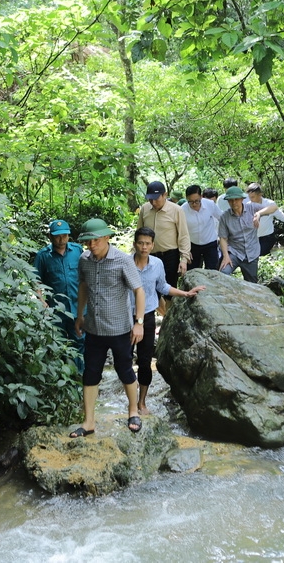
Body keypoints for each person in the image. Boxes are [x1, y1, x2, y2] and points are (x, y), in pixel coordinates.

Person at [70, 218, 146, 437]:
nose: (91, 246)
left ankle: (133, 411)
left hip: (120, 329)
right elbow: (83, 286)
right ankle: (89, 421)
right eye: (88, 242)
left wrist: (139, 323)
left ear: (106, 238)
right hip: (94, 328)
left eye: (95, 241)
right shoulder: (85, 260)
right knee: (90, 373)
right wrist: (79, 315)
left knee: (125, 370)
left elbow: (139, 291)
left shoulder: (122, 260)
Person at [130, 227, 205, 414]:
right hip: (125, 317)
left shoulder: (156, 264)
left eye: (148, 243)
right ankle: (131, 403)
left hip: (147, 316)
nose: (144, 247)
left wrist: (185, 293)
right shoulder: (125, 263)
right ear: (134, 244)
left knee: (145, 361)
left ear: (153, 245)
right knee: (124, 360)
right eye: (140, 243)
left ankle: (141, 403)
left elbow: (162, 286)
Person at [33, 219, 85, 373]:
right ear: (50, 237)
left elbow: (87, 275)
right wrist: (42, 301)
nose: (61, 239)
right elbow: (36, 281)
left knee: (80, 342)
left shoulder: (77, 251)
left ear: (69, 235)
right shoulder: (43, 256)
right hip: (56, 310)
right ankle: (62, 378)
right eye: (57, 236)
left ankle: (81, 377)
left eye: (64, 236)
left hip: (78, 307)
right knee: (58, 343)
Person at [136, 181, 192, 298]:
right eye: (150, 199)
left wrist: (184, 259)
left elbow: (183, 235)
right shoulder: (145, 209)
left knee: (169, 290)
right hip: (149, 255)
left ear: (165, 195)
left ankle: (167, 315)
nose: (153, 202)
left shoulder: (176, 210)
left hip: (170, 256)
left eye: (156, 199)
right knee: (149, 289)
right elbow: (139, 233)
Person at [217, 186, 278, 283]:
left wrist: (259, 214)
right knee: (223, 274)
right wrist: (226, 256)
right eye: (230, 200)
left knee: (252, 283)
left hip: (251, 253)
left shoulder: (252, 208)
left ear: (242, 199)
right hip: (234, 252)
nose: (234, 202)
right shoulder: (225, 217)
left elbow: (274, 207)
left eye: (236, 199)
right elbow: (223, 238)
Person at [245, 183, 284, 256]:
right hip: (253, 238)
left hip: (267, 238)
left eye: (253, 197)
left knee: (258, 256)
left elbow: (282, 216)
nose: (251, 200)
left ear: (260, 194)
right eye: (250, 197)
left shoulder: (269, 204)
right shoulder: (248, 205)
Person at [182, 184, 223, 270]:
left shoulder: (210, 204)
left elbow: (222, 218)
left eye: (197, 201)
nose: (194, 204)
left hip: (210, 243)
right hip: (192, 244)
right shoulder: (182, 210)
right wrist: (185, 251)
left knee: (212, 270)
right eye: (191, 202)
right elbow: (180, 231)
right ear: (187, 199)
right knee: (193, 270)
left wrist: (222, 236)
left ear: (201, 197)